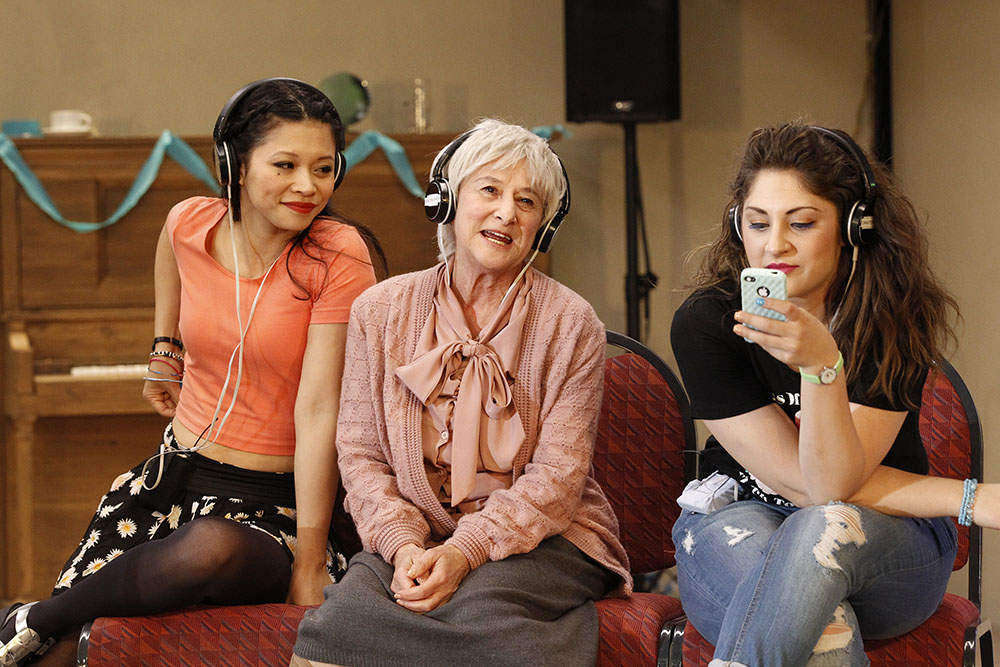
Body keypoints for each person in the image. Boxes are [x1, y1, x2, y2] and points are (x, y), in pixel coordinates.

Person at [0, 78, 384, 665]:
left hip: (276, 509)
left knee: (208, 551)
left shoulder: (339, 254)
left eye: (324, 168)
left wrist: (309, 562)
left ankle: (24, 619)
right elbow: (168, 252)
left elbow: (319, 410)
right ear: (233, 163)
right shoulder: (189, 222)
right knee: (75, 652)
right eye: (285, 165)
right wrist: (164, 348)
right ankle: (36, 630)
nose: (308, 186)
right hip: (174, 478)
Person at [290, 119, 630, 667]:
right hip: (416, 533)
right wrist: (405, 547)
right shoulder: (379, 312)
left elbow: (558, 481)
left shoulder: (572, 323)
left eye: (527, 201)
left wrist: (463, 553)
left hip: (548, 537)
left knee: (483, 609)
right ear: (447, 199)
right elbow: (361, 457)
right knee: (340, 621)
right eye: (489, 190)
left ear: (543, 225)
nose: (506, 213)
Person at [668, 122, 999, 665]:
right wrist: (969, 498)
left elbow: (832, 492)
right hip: (740, 518)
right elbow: (806, 484)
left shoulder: (889, 320)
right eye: (757, 223)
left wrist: (824, 365)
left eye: (801, 223)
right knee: (822, 625)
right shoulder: (708, 323)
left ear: (853, 228)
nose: (774, 244)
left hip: (889, 546)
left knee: (824, 530)